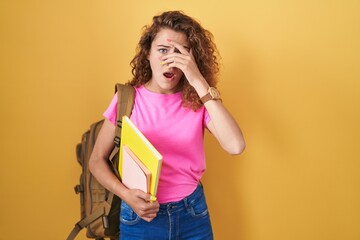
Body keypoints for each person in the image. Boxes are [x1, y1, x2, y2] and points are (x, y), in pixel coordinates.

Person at [89, 10, 245, 240]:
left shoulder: (198, 102)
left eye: (181, 53)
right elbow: (96, 161)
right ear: (148, 54)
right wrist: (126, 195)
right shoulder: (127, 100)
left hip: (193, 214)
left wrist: (198, 81)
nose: (170, 59)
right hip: (141, 217)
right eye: (163, 50)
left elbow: (235, 146)